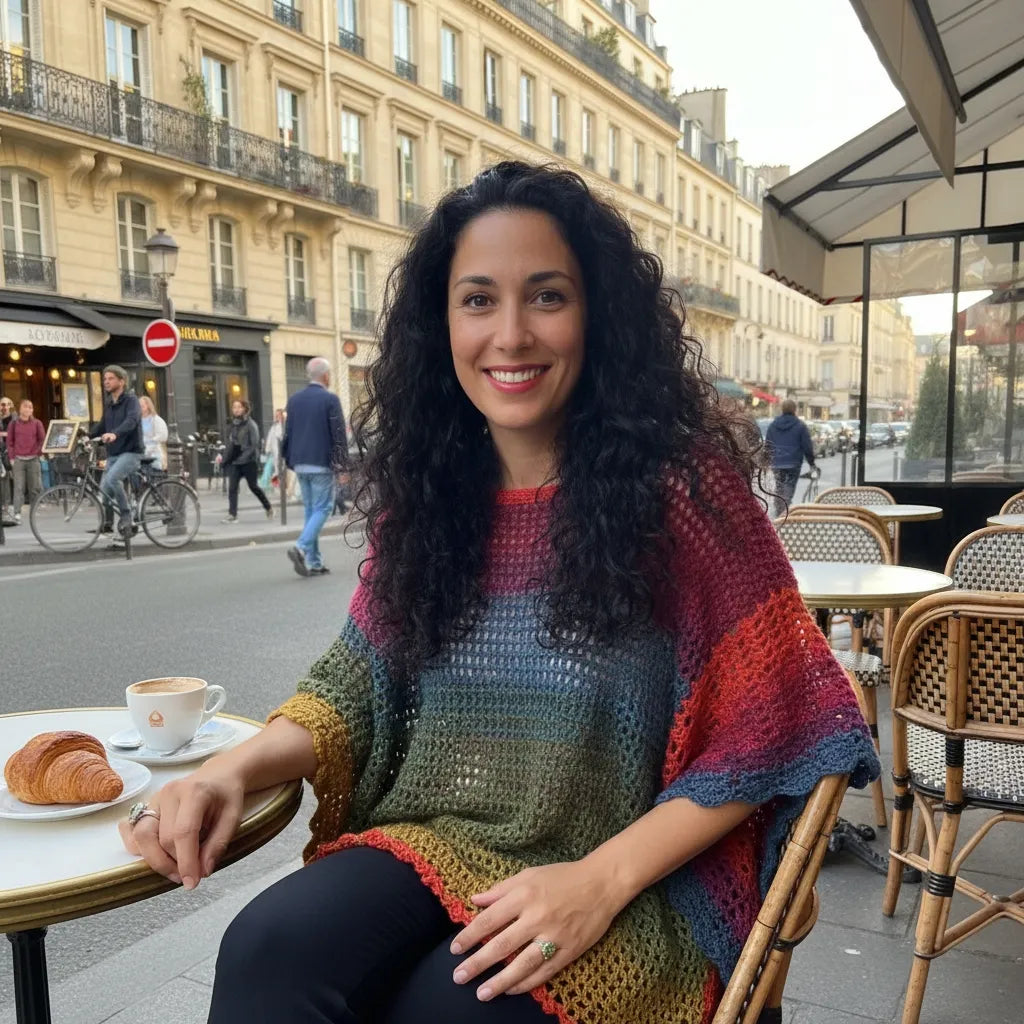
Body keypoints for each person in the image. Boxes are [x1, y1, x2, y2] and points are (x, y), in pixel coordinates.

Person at [120, 163, 878, 1024]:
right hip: (440, 838)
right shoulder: (431, 495)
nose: (510, 335)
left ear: (597, 315)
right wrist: (227, 770)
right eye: (478, 300)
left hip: (634, 881)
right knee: (268, 948)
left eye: (547, 296)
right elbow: (353, 685)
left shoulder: (686, 495)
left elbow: (787, 722)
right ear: (442, 323)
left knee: (446, 1009)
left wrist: (598, 882)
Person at [281, 358, 347, 576]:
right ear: (326, 376)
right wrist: (343, 466)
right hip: (321, 463)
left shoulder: (294, 400)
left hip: (300, 463)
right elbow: (339, 434)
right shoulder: (330, 399)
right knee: (323, 508)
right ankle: (300, 547)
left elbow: (288, 432)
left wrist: (289, 459)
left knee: (311, 511)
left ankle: (315, 561)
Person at [90, 365, 144, 535]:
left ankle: (127, 516)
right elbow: (102, 425)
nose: (106, 382)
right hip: (114, 453)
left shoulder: (131, 400)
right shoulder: (109, 403)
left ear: (122, 381)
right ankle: (107, 523)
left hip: (131, 452)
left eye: (111, 378)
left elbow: (132, 421)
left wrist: (115, 434)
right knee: (104, 491)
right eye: (105, 379)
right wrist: (85, 435)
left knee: (113, 479)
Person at [219, 399, 273, 524]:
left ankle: (268, 507)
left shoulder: (251, 424)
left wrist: (243, 457)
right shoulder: (232, 425)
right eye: (234, 407)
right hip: (235, 462)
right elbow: (230, 444)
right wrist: (225, 458)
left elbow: (254, 445)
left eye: (239, 407)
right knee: (232, 488)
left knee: (253, 486)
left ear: (244, 409)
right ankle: (232, 515)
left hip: (249, 461)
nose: (236, 409)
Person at [765, 398, 816, 517]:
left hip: (776, 462)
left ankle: (780, 509)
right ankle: (785, 510)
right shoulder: (800, 426)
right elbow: (807, 446)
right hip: (793, 463)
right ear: (794, 409)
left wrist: (767, 461)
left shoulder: (773, 425)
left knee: (779, 486)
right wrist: (812, 463)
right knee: (789, 487)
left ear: (782, 409)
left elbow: (768, 445)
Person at [6, 399, 45, 523]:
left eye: (30, 407)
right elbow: (9, 442)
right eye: (25, 406)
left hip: (33, 459)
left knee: (34, 487)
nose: (28, 409)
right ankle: (17, 512)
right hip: (18, 459)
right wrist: (12, 457)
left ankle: (34, 510)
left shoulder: (37, 423)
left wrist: (38, 453)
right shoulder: (13, 424)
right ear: (20, 409)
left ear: (32, 410)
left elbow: (42, 440)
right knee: (18, 487)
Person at [138, 395, 168, 472]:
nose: (140, 408)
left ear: (148, 406)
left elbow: (163, 436)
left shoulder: (156, 420)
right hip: (141, 454)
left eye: (142, 406)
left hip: (154, 453)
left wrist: (151, 441)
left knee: (154, 473)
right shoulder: (137, 421)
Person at [260, 408, 286, 491]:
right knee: (271, 468)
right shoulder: (274, 426)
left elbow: (281, 437)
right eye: (276, 415)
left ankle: (279, 485)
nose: (276, 416)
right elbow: (270, 438)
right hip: (274, 452)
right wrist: (267, 449)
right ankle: (267, 484)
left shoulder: (284, 426)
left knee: (280, 469)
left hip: (282, 452)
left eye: (278, 415)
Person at [0, 396, 15, 520]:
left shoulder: (14, 419)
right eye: (2, 404)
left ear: (10, 405)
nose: (4, 407)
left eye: (6, 404)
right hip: (2, 451)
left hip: (10, 452)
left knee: (9, 478)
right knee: (3, 479)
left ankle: (8, 507)